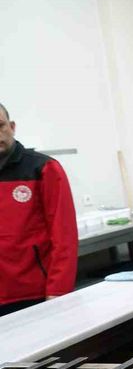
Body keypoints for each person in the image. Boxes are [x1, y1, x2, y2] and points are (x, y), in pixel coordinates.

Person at [0, 102, 78, 316]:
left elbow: (65, 236)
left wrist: (58, 291)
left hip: (34, 294)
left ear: (12, 126)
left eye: (0, 126)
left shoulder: (43, 168)